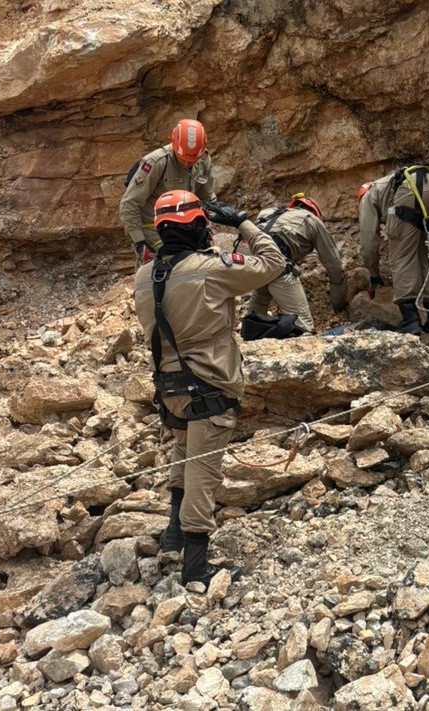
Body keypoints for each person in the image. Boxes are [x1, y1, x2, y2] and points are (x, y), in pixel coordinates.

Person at [133, 190, 285, 584]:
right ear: (198, 225)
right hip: (210, 384)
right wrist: (241, 222)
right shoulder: (212, 268)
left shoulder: (144, 275)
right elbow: (273, 262)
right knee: (203, 471)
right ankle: (196, 568)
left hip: (169, 387)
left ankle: (172, 538)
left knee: (183, 457)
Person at [357, 166, 429, 335]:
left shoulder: (368, 196)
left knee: (403, 258)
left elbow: (368, 242)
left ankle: (411, 322)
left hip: (410, 192)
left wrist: (373, 273)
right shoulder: (388, 184)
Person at [244, 193, 348, 335]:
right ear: (314, 211)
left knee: (255, 313)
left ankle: (247, 341)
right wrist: (339, 304)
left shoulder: (268, 213)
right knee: (302, 326)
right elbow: (333, 263)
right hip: (277, 265)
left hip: (249, 263)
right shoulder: (311, 220)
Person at [120, 119, 217, 262]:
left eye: (193, 159)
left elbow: (207, 198)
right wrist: (140, 242)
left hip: (187, 229)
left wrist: (208, 224)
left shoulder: (203, 159)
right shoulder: (157, 163)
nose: (188, 163)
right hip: (155, 230)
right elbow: (129, 204)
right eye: (183, 159)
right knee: (160, 273)